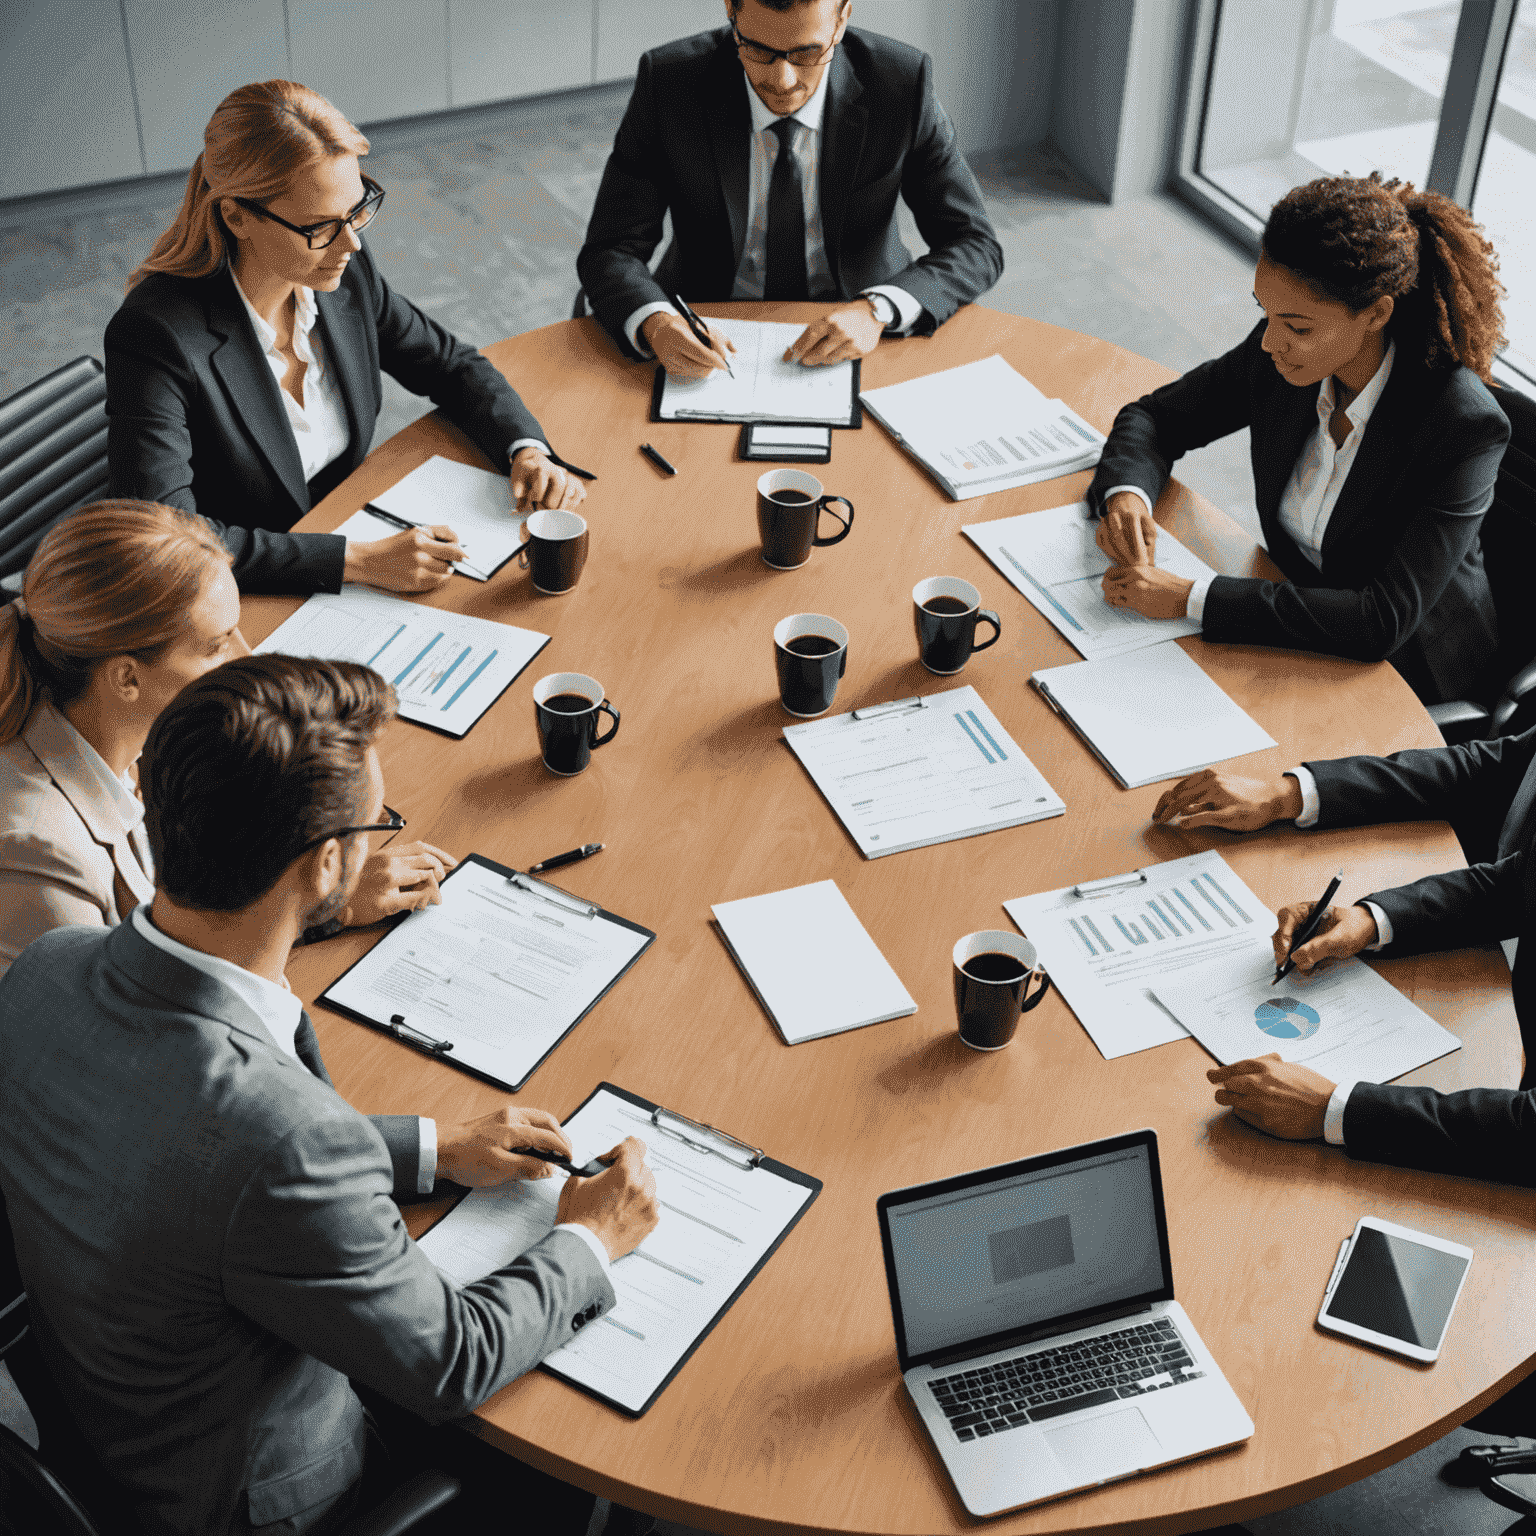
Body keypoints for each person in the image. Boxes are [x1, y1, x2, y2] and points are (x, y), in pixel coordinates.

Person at [0, 653, 661, 1535]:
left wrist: (430, 1147)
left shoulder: (48, 970)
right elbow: (451, 1361)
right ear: (325, 868)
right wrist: (591, 1237)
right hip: (255, 1497)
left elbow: (186, 1158)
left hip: (100, 1418)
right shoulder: (283, 1145)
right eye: (375, 826)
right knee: (578, 1478)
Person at [106, 79, 592, 598]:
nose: (351, 243)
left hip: (352, 532)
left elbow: (450, 365)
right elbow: (169, 539)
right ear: (236, 216)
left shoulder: (342, 277)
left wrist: (526, 450)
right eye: (320, 227)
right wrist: (354, 562)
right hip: (245, 592)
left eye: (358, 210)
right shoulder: (155, 335)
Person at [1090, 173, 1510, 706]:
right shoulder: (1280, 354)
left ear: (1377, 313)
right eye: (1265, 313)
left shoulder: (1460, 425)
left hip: (1405, 681)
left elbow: (1381, 620)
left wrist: (1192, 597)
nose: (1270, 341)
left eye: (1298, 326)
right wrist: (1127, 495)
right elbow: (1155, 418)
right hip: (1292, 631)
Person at [0, 500, 454, 976]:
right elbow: (127, 1022)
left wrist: (312, 893)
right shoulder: (37, 854)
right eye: (217, 646)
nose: (246, 657)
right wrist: (309, 906)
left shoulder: (118, 727)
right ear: (126, 679)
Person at [575, 0, 1003, 378]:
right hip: (703, 325)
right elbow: (610, 249)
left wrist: (877, 311)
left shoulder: (901, 83)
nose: (782, 80)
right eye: (758, 50)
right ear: (731, 10)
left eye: (807, 53)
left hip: (861, 329)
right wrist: (657, 322)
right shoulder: (669, 83)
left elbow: (974, 243)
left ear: (842, 19)